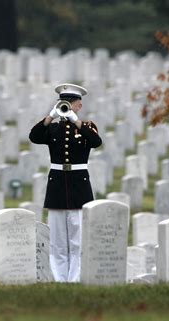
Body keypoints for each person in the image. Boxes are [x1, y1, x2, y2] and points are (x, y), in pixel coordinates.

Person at [29, 83, 102, 282]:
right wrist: (50, 116)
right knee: (58, 239)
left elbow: (96, 142)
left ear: (78, 106)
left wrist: (76, 121)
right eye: (65, 103)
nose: (70, 106)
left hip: (79, 186)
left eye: (73, 103)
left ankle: (75, 277)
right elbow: (33, 137)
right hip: (58, 186)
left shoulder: (87, 127)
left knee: (78, 237)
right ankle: (60, 277)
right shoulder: (52, 127)